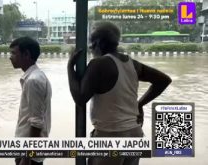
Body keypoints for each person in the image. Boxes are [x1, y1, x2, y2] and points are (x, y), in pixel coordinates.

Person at [67, 22, 172, 165]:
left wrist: (69, 68)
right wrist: (139, 104)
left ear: (97, 43)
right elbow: (164, 80)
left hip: (111, 136)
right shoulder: (132, 64)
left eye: (91, 44)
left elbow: (80, 98)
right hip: (135, 134)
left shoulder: (98, 64)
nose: (91, 48)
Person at [9, 37, 52, 165]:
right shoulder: (37, 76)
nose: (10, 57)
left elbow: (37, 122)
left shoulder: (33, 80)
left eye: (13, 53)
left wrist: (26, 159)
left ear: (26, 54)